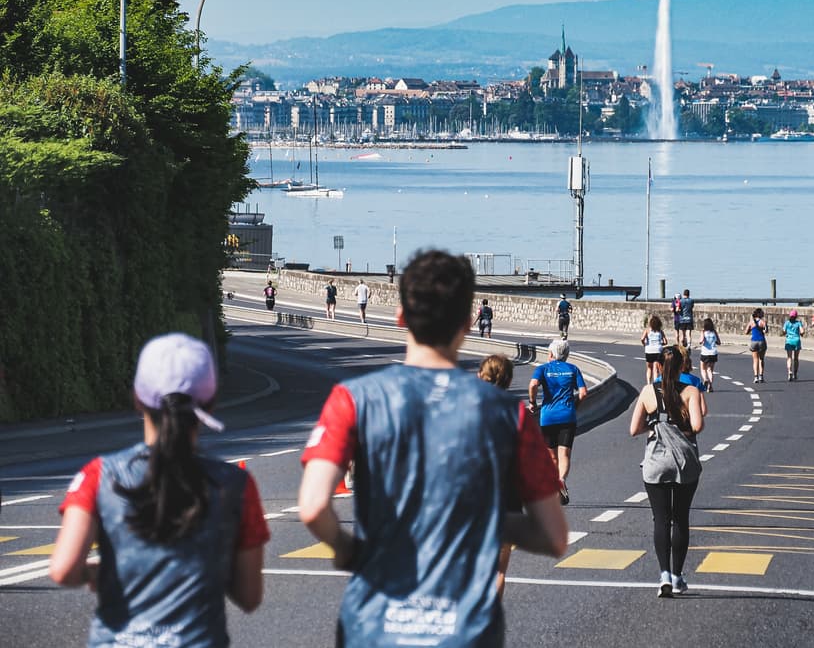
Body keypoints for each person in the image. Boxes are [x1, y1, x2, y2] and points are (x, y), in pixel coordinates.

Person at [298, 250, 568, 647]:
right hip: (463, 626)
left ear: (400, 317)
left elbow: (312, 506)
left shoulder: (354, 399)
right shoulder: (507, 414)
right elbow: (554, 536)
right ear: (467, 323)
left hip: (374, 623)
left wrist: (346, 548)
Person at [50, 333, 269, 646]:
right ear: (211, 402)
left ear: (137, 399)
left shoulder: (100, 474)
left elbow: (63, 570)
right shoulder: (235, 485)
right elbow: (249, 596)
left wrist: (97, 573)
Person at [629, 345, 704, 598]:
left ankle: (663, 575)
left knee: (660, 520)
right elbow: (697, 426)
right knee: (680, 518)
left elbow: (634, 429)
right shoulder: (691, 392)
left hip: (656, 463)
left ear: (658, 366)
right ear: (683, 366)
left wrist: (655, 425)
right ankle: (678, 576)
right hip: (684, 462)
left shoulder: (648, 392)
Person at [528, 338, 589, 506]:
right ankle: (561, 480)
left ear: (550, 353)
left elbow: (533, 385)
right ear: (566, 354)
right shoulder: (573, 369)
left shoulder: (542, 369)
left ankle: (556, 486)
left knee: (552, 457)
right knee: (565, 455)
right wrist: (574, 406)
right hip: (567, 416)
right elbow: (583, 393)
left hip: (548, 417)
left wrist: (532, 402)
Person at [477, 354, 517, 600]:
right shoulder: (516, 413)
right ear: (509, 381)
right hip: (507, 499)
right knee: (499, 571)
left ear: (480, 376)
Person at [641, 314, 667, 384]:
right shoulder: (660, 331)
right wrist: (660, 344)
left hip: (649, 350)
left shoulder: (647, 330)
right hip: (658, 350)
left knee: (649, 368)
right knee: (656, 369)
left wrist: (644, 344)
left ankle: (648, 383)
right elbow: (665, 342)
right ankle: (655, 384)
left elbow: (642, 338)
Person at [745, 307, 768, 384]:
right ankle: (761, 376)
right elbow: (766, 331)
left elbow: (746, 332)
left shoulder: (751, 322)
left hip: (754, 341)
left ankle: (756, 377)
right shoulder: (763, 322)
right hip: (761, 341)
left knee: (755, 360)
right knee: (761, 359)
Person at [698, 318, 722, 393]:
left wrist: (703, 339)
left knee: (703, 369)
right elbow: (719, 342)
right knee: (710, 370)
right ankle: (710, 386)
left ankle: (705, 379)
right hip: (713, 353)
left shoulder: (703, 332)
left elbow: (701, 341)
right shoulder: (714, 332)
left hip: (705, 353)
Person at [782, 309, 805, 381]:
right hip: (796, 341)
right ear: (796, 316)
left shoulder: (787, 323)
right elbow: (802, 331)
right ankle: (795, 374)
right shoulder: (798, 323)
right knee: (796, 358)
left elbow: (783, 331)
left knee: (789, 357)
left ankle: (789, 371)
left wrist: (785, 333)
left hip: (789, 340)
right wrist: (801, 334)